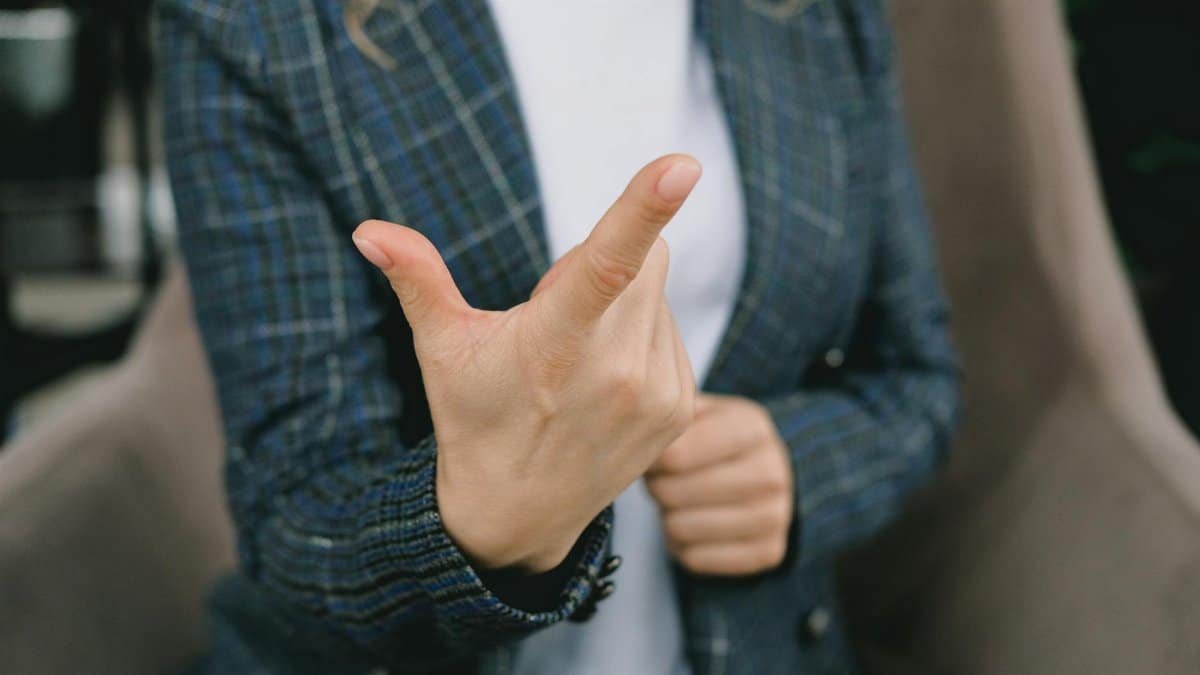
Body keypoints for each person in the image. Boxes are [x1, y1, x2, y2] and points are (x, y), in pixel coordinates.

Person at [160, 0, 959, 673]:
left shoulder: (822, 12)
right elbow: (292, 509)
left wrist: (798, 467)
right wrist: (470, 526)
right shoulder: (254, 21)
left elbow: (919, 378)